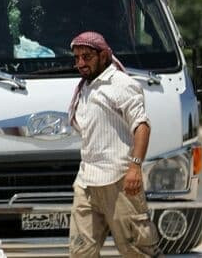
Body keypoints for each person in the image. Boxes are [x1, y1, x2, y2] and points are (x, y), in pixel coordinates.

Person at [67, 31, 160, 257]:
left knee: (136, 251)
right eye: (77, 57)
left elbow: (141, 125)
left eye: (86, 56)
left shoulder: (121, 84)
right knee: (81, 253)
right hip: (87, 182)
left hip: (120, 181)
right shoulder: (85, 88)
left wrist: (135, 167)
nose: (80, 63)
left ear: (104, 55)